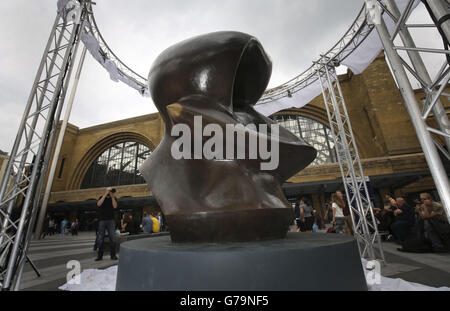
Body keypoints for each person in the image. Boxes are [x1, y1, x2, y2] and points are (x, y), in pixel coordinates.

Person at [95, 187, 118, 261]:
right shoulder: (102, 197)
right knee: (100, 238)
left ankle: (113, 255)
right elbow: (98, 204)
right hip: (102, 220)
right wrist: (105, 194)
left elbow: (115, 206)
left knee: (112, 238)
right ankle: (100, 256)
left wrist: (112, 197)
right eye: (109, 190)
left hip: (111, 220)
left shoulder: (114, 198)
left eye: (111, 190)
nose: (110, 192)